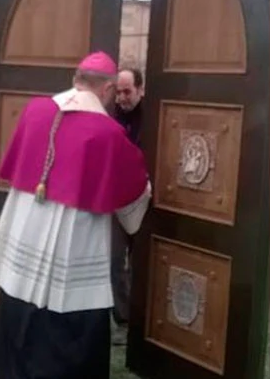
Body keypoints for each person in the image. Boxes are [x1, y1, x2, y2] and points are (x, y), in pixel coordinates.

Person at [0, 52, 152, 379]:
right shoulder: (108, 132)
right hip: (75, 242)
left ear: (76, 79)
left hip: (25, 228)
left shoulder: (35, 110)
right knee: (67, 315)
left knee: (20, 301)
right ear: (107, 90)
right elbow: (134, 189)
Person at [109, 67, 145, 345]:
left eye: (127, 92)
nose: (122, 97)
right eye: (118, 92)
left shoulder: (155, 116)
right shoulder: (109, 116)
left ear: (141, 90)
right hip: (117, 198)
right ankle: (123, 319)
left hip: (146, 199)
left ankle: (141, 320)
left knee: (142, 261)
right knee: (114, 260)